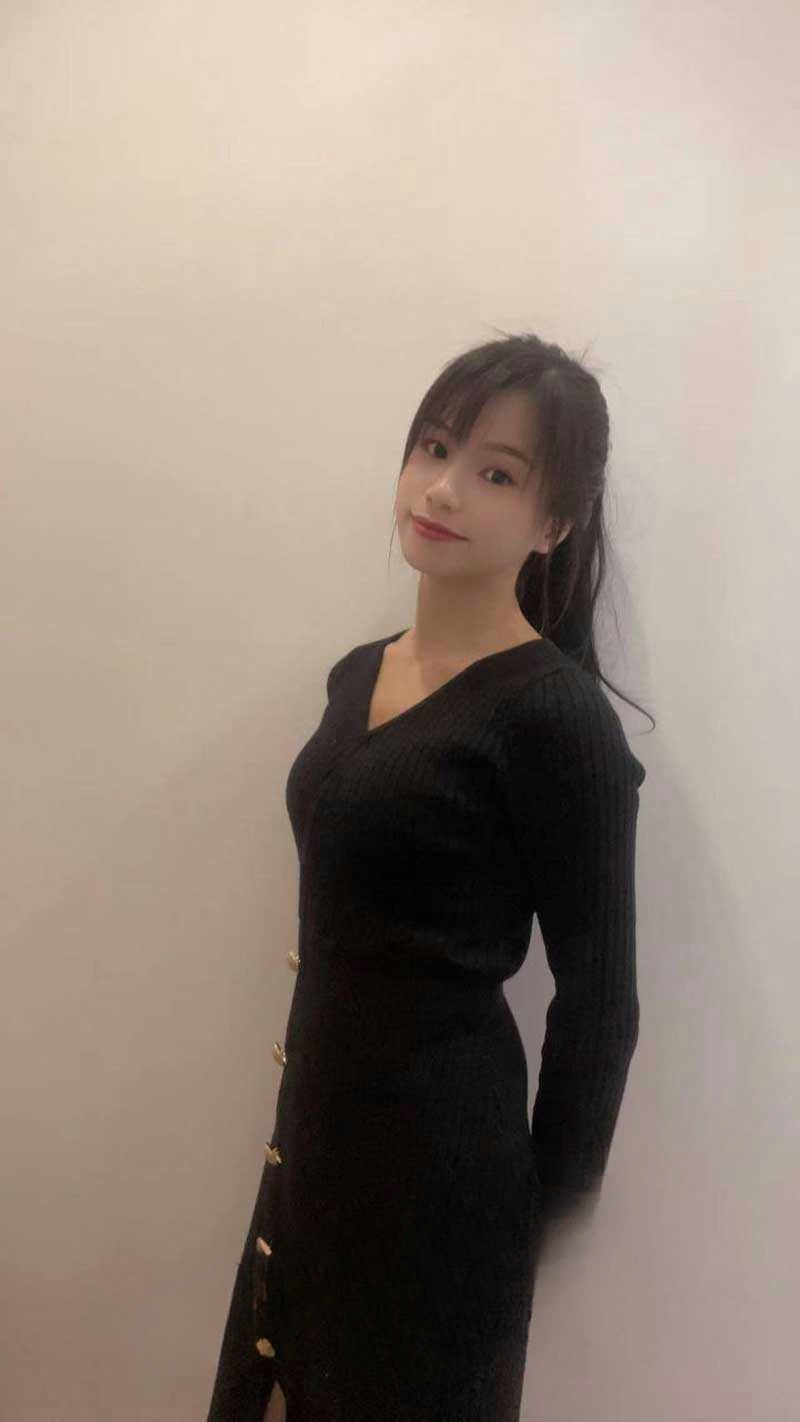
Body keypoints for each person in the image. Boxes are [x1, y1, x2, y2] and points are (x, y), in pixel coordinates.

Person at [207, 331, 653, 1421]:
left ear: (554, 523)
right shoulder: (356, 676)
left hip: (442, 1189)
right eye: (435, 447)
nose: (444, 488)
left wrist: (532, 1231)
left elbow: (600, 1005)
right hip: (310, 1147)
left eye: (497, 473)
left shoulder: (557, 719)